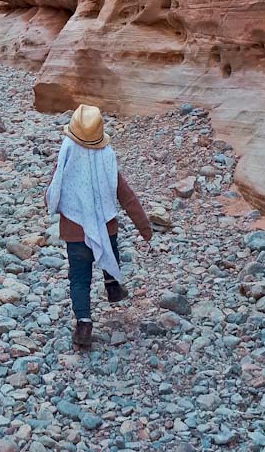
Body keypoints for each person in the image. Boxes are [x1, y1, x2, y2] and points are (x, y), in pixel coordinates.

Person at [46, 103, 152, 348]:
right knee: (109, 253)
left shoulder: (67, 155)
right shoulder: (107, 159)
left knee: (79, 278)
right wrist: (144, 227)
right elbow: (126, 196)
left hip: (74, 232)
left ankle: (83, 324)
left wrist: (50, 201)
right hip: (106, 227)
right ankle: (112, 286)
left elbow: (55, 189)